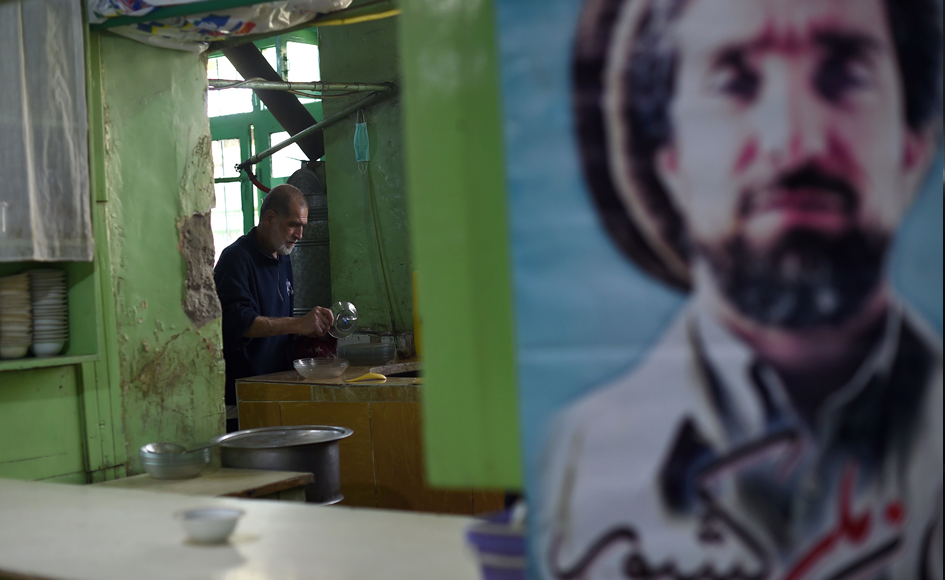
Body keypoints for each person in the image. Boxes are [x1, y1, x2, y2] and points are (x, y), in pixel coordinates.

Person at [539, 0, 943, 578]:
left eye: (844, 75)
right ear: (669, 161)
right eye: (734, 82)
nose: (794, 141)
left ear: (913, 145)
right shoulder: (574, 460)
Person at [214, 184, 334, 432]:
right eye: (293, 224)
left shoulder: (283, 257)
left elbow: (278, 322)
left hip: (277, 389)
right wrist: (298, 323)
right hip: (243, 396)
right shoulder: (236, 259)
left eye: (302, 226)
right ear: (269, 218)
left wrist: (309, 330)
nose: (299, 234)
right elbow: (241, 323)